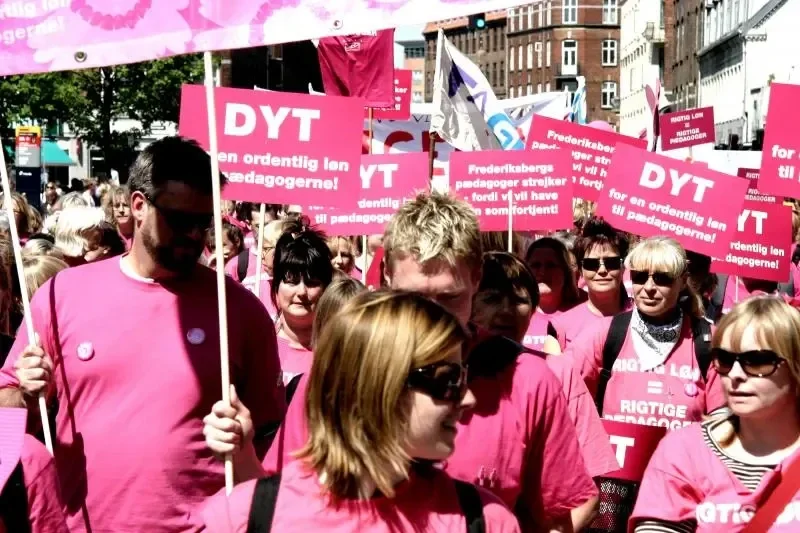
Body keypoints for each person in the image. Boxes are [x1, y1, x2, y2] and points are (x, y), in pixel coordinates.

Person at [209, 192, 598, 531]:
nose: (432, 316)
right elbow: (279, 503)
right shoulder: (339, 373)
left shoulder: (529, 381)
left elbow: (560, 516)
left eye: (448, 298)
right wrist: (242, 456)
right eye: (414, 299)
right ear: (386, 277)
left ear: (476, 278)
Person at [0, 136, 286, 533]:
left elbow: (272, 437)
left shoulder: (239, 310)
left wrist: (243, 444)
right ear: (138, 205)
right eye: (179, 220)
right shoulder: (61, 294)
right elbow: (7, 414)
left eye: (203, 223)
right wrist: (28, 395)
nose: (194, 235)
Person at [195, 291, 521, 533]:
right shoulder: (244, 518)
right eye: (449, 380)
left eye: (463, 377)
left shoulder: (484, 521)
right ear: (377, 385)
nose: (468, 399)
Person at [631, 296, 800, 531]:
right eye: (725, 360)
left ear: (795, 366)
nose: (736, 374)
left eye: (757, 361)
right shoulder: (684, 451)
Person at [471, 252, 618, 480]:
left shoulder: (559, 372)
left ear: (533, 310)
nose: (506, 310)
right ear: (470, 304)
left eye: (519, 301)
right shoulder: (450, 371)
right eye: (492, 299)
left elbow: (590, 478)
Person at [565, 235, 726, 427]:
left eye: (662, 278)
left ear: (683, 281)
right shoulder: (605, 333)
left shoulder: (709, 341)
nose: (649, 287)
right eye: (640, 277)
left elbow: (725, 425)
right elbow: (562, 389)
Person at [544, 218, 632, 354]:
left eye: (611, 262)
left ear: (622, 267)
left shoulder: (642, 317)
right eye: (591, 264)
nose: (602, 270)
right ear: (580, 270)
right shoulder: (560, 327)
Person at [271, 220, 333, 386]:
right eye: (292, 281)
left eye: (312, 282)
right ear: (276, 286)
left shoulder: (338, 350)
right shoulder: (258, 346)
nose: (302, 292)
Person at [523, 237, 584, 350]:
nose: (542, 272)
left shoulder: (583, 310)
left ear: (565, 272)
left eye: (551, 265)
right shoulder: (516, 313)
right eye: (536, 265)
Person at [101, 185, 133, 250]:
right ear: (111, 209)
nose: (121, 210)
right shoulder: (106, 237)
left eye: (126, 205)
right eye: (117, 206)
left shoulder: (143, 234)